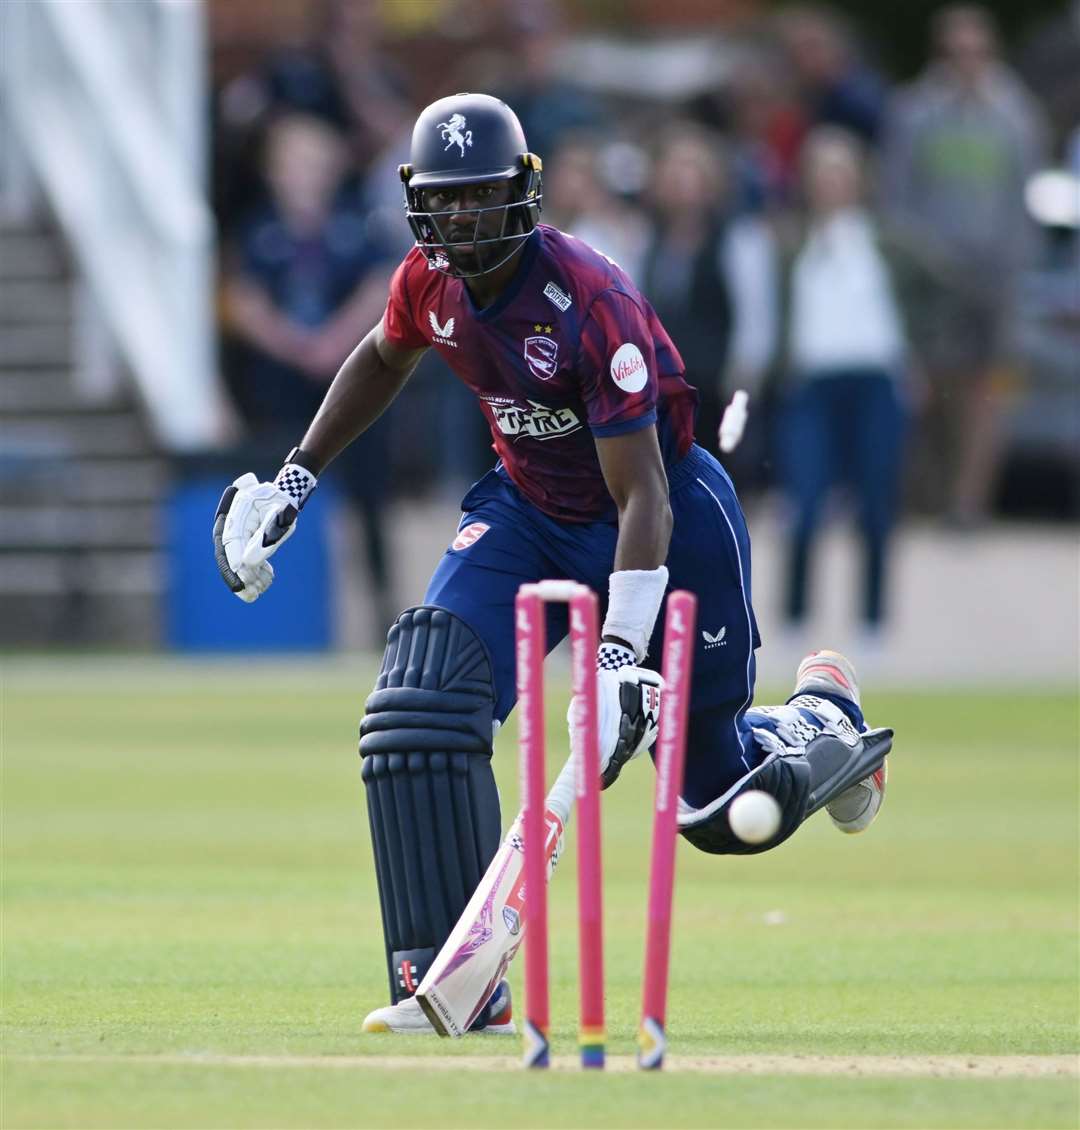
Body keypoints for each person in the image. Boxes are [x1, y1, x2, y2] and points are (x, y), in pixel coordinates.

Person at [212, 94, 893, 1035]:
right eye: (444, 201)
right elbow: (380, 356)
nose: (462, 221)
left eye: (481, 198)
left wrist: (615, 659)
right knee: (421, 705)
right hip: (528, 514)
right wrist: (294, 478)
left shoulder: (590, 303)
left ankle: (824, 716)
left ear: (521, 195)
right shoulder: (428, 280)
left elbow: (644, 495)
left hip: (661, 525)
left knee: (724, 811)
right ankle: (451, 980)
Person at [880, 4, 1047, 526]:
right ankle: (924, 491)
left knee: (987, 389)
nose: (967, 61)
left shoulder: (1016, 114)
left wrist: (1021, 265)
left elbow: (1027, 197)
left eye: (976, 51)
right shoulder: (915, 112)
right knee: (930, 385)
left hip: (997, 275)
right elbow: (897, 195)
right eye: (957, 52)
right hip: (933, 275)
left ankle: (969, 500)